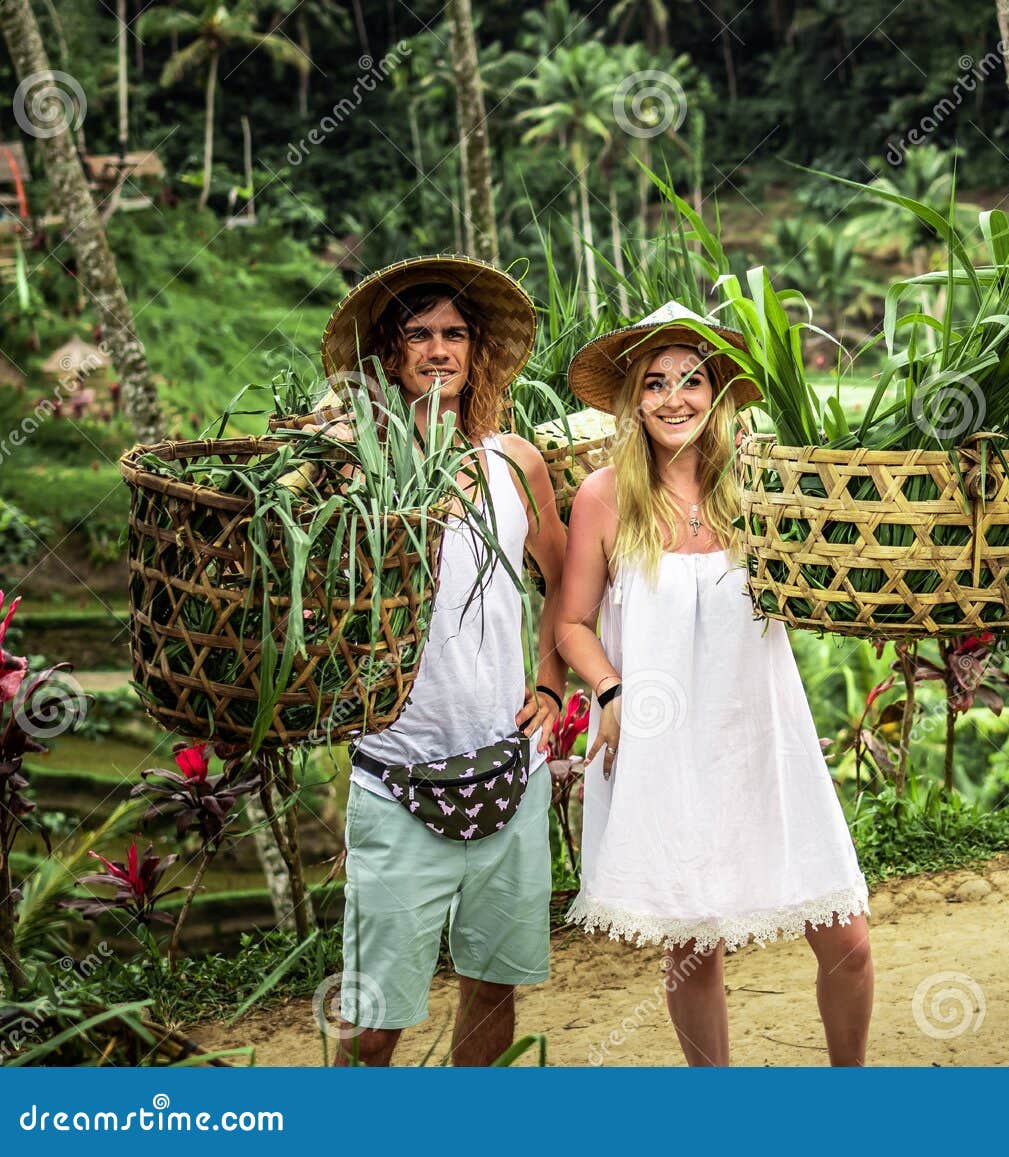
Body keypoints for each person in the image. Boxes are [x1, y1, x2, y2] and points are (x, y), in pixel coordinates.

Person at [555, 302, 874, 1066]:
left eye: (692, 381)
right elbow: (571, 622)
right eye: (656, 382)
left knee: (849, 939)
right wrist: (609, 689)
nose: (674, 399)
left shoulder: (761, 484)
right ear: (634, 396)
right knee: (692, 946)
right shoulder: (604, 495)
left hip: (764, 733)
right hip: (665, 740)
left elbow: (826, 575)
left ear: (719, 391)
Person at [322, 255, 568, 1065]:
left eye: (454, 333)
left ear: (477, 352)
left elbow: (563, 578)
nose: (438, 349)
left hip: (509, 761)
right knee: (377, 1008)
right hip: (396, 772)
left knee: (493, 982)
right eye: (418, 334)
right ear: (390, 356)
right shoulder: (357, 472)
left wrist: (549, 678)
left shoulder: (515, 463)